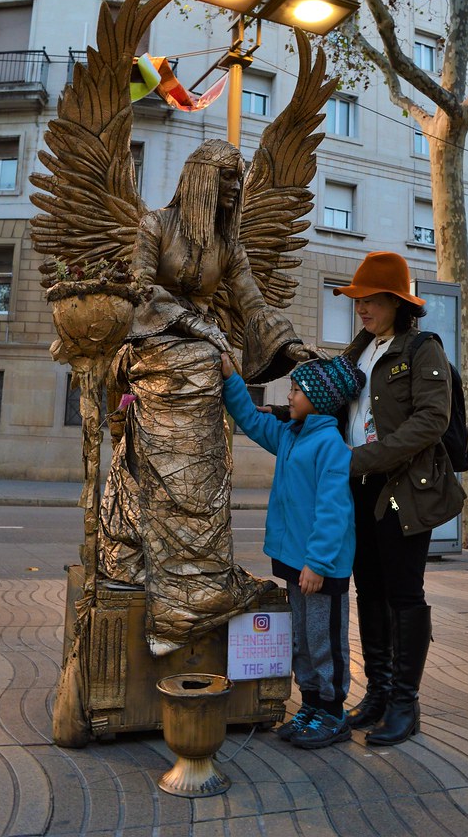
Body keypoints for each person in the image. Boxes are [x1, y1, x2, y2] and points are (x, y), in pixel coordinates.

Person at [97, 139, 318, 655]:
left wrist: (287, 342)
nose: (235, 189)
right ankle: (164, 570)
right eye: (227, 179)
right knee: (200, 360)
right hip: (154, 341)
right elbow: (140, 291)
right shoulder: (156, 225)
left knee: (214, 369)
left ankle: (202, 572)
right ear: (200, 179)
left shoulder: (229, 245)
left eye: (239, 180)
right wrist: (192, 323)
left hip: (205, 347)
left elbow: (252, 302)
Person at [334, 251, 465, 746]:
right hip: (360, 490)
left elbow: (431, 421)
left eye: (369, 300)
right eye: (357, 300)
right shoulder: (361, 347)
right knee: (368, 589)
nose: (360, 308)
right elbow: (332, 398)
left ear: (396, 301)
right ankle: (379, 693)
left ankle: (406, 705)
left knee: (404, 594)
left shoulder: (421, 348)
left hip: (404, 491)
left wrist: (364, 459)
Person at [221, 350, 366, 749]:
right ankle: (311, 704)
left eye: (297, 390)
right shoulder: (289, 435)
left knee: (324, 640)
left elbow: (334, 510)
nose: (290, 396)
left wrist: (317, 563)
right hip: (293, 562)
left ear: (318, 399)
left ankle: (333, 713)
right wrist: (232, 378)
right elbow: (250, 420)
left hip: (321, 568)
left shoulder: (330, 446)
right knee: (301, 638)